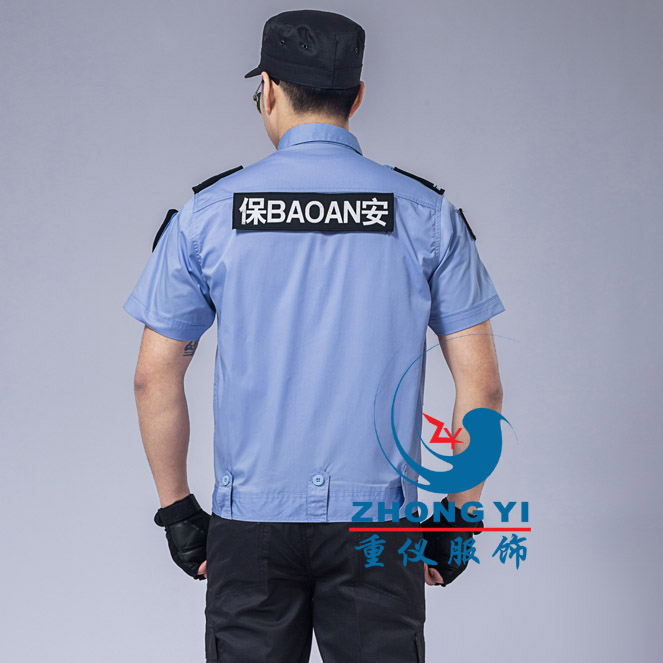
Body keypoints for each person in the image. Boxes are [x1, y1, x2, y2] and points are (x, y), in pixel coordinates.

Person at [123, 9, 505, 663]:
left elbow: (152, 376)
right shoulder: (427, 215)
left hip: (251, 525)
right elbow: (484, 388)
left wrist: (178, 511)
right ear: (357, 97)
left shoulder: (206, 217)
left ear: (268, 90)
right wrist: (457, 517)